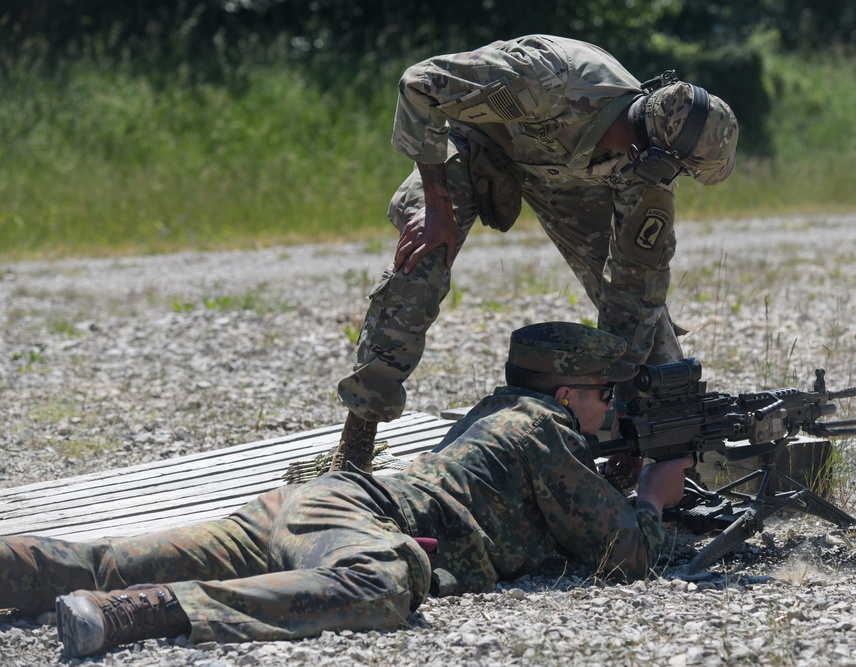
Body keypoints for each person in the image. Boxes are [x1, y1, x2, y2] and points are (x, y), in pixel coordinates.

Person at [0, 322, 691, 659]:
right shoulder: (542, 425)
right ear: (565, 393)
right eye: (608, 394)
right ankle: (145, 613)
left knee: (112, 555)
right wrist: (656, 493)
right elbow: (624, 553)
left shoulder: (500, 410)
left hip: (308, 504)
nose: (613, 408)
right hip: (353, 516)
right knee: (384, 582)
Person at [333, 34, 739, 470]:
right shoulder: (547, 77)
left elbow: (636, 287)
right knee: (421, 263)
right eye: (677, 168)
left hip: (563, 177)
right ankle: (358, 439)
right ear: (659, 153)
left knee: (640, 304)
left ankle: (662, 442)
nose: (672, 178)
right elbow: (419, 84)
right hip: (478, 144)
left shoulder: (644, 175)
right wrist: (437, 206)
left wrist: (626, 413)